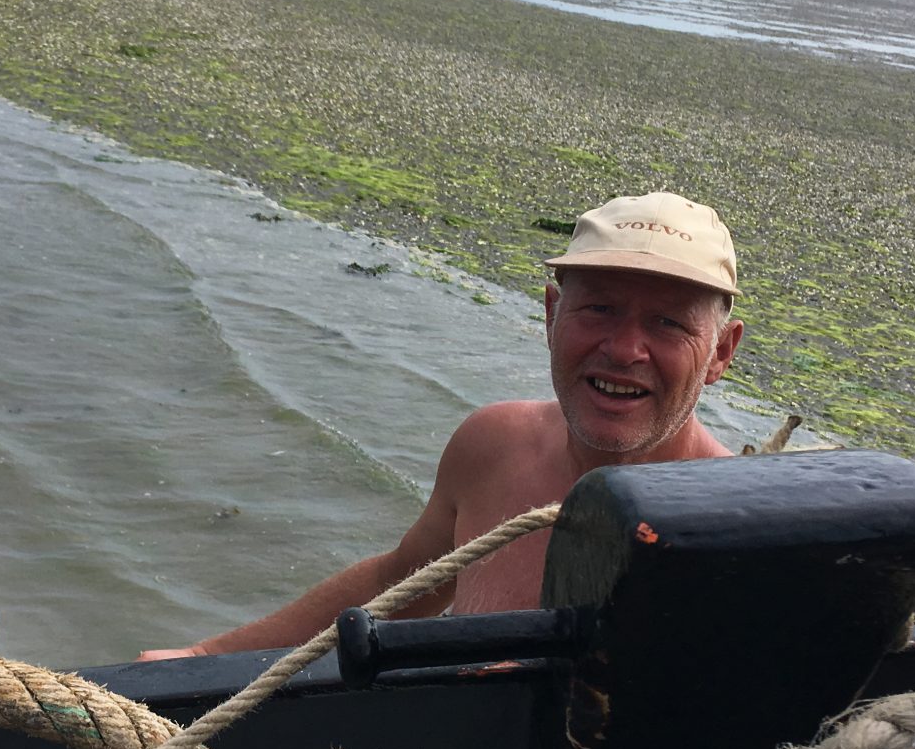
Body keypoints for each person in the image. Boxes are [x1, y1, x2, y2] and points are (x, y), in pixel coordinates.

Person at [137, 191, 744, 659]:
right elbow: (400, 582)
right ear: (552, 315)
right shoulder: (496, 444)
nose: (624, 348)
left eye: (668, 324)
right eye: (600, 309)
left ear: (720, 353)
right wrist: (204, 656)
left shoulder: (740, 524)